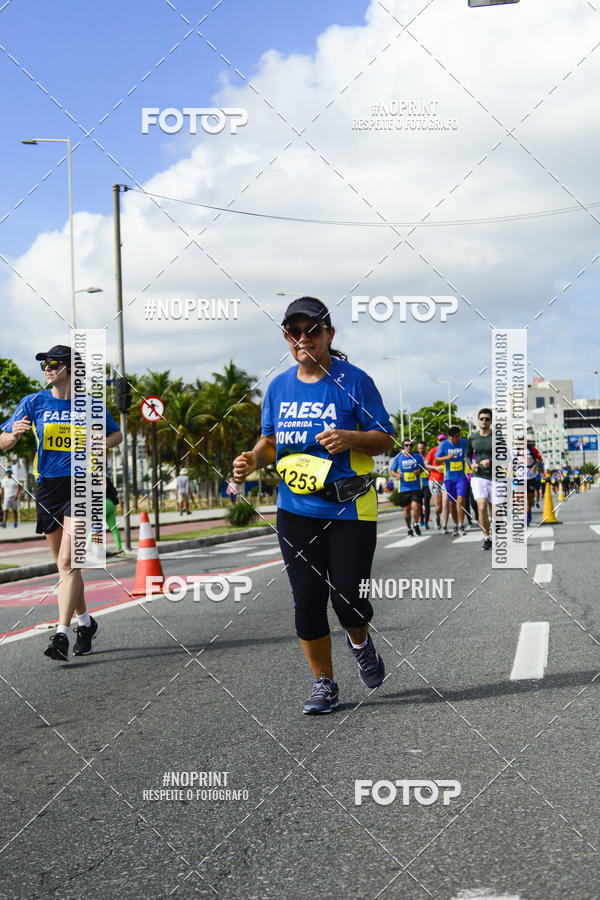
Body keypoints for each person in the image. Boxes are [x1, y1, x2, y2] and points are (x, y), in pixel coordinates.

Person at [233, 297, 394, 715]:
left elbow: (385, 438)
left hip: (350, 508)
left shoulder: (355, 381)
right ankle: (325, 683)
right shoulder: (278, 387)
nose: (302, 338)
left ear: (329, 334)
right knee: (307, 599)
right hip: (296, 510)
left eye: (312, 330)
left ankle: (360, 643)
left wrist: (350, 438)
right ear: (286, 336)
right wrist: (253, 459)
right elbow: (270, 441)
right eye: (293, 331)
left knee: (348, 601)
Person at [0, 345, 122, 660]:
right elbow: (2, 440)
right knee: (64, 567)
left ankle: (61, 634)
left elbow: (117, 435)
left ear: (70, 368)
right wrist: (14, 435)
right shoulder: (33, 402)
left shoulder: (90, 405)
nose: (47, 369)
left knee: (69, 561)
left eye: (54, 364)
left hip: (82, 483)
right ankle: (87, 624)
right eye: (44, 365)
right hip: (48, 488)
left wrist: (100, 442)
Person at [465, 408, 494, 550]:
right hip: (478, 477)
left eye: (487, 419)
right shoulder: (472, 438)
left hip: (495, 477)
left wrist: (491, 462)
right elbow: (467, 456)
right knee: (481, 507)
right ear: (478, 420)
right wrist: (471, 465)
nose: (484, 421)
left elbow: (506, 457)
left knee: (495, 511)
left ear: (491, 421)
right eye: (482, 418)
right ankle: (487, 537)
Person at [436, 425, 469, 536]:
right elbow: (437, 459)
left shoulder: (464, 442)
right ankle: (455, 524)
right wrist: (447, 457)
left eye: (459, 436)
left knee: (461, 499)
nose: (459, 438)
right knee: (452, 503)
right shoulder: (444, 445)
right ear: (450, 437)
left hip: (461, 477)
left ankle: (461, 524)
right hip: (449, 478)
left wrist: (468, 459)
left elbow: (470, 453)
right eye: (456, 437)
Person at [390, 438, 427, 536]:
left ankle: (416, 524)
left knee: (416, 507)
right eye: (406, 445)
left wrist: (419, 471)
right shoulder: (399, 458)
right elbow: (392, 470)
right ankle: (409, 528)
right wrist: (397, 475)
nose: (409, 447)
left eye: (410, 445)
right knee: (406, 509)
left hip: (416, 487)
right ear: (403, 447)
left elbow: (423, 468)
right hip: (404, 488)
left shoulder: (417, 456)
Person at [425, 435, 446, 530]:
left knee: (445, 503)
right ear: (438, 441)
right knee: (438, 506)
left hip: (445, 480)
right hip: (434, 480)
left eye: (444, 440)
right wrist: (435, 468)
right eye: (440, 440)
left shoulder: (448, 451)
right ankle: (437, 518)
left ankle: (444, 524)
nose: (442, 441)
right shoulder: (433, 451)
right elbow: (425, 464)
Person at [416, 440, 431, 529]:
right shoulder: (416, 458)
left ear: (425, 448)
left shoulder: (429, 457)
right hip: (418, 484)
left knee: (426, 502)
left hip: (427, 483)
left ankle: (426, 521)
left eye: (422, 448)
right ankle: (421, 518)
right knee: (419, 503)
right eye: (419, 448)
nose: (421, 450)